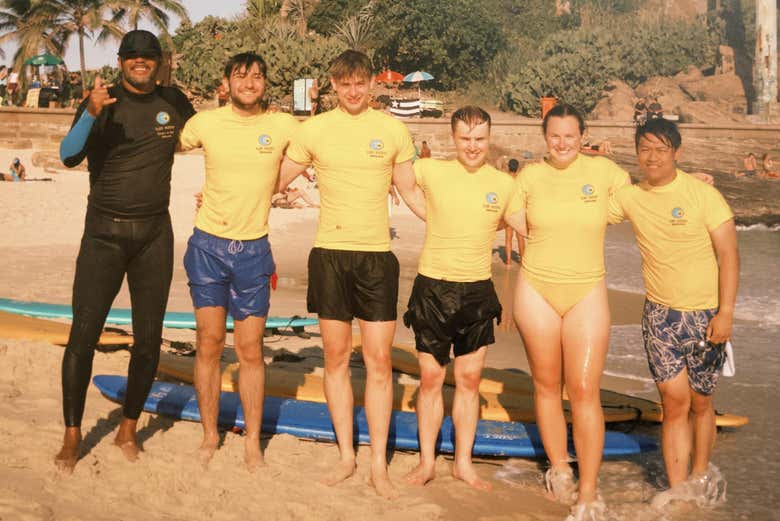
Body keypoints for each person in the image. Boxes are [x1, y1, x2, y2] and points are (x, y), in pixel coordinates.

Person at [277, 49, 416, 498]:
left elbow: (412, 191)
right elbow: (275, 177)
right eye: (344, 84)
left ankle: (378, 464)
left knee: (378, 363)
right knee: (335, 360)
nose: (353, 91)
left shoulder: (393, 130)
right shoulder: (314, 130)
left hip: (376, 258)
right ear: (333, 85)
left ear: (372, 84)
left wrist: (460, 222)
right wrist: (221, 193)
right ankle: (346, 456)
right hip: (330, 257)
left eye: (361, 83)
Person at [55, 30, 195, 473]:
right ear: (120, 61)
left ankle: (128, 427)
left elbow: (216, 139)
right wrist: (89, 114)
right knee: (84, 335)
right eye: (131, 56)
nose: (139, 62)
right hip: (103, 234)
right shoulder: (102, 101)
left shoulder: (175, 102)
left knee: (149, 340)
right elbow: (67, 155)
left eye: (147, 56)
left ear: (158, 62)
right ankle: (73, 435)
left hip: (155, 234)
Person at [504, 103, 630, 520]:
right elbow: (511, 217)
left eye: (569, 135)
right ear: (545, 136)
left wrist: (692, 184)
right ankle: (559, 468)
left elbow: (645, 199)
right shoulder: (530, 177)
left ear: (583, 135)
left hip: (587, 291)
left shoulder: (606, 173)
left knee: (583, 391)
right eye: (554, 135)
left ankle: (588, 489)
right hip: (536, 289)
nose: (562, 143)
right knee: (546, 384)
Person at [608, 119, 738, 511]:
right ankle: (678, 485)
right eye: (644, 149)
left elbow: (729, 254)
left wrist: (726, 313)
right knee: (673, 399)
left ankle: (699, 474)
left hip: (705, 316)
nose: (651, 157)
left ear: (676, 154)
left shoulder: (702, 195)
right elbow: (587, 208)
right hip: (660, 315)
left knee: (701, 401)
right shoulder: (630, 197)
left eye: (660, 150)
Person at [179, 52, 298, 472]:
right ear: (226, 82)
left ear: (266, 83)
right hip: (208, 246)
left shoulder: (283, 125)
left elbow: (320, 152)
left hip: (253, 250)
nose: (249, 82)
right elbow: (157, 142)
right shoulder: (206, 123)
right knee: (208, 343)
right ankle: (210, 434)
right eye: (240, 75)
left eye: (257, 76)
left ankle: (251, 441)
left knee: (250, 349)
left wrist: (276, 188)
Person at [394, 106, 513, 491]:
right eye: (465, 138)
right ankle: (428, 462)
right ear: (452, 137)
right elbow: (401, 177)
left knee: (469, 378)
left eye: (479, 139)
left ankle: (462, 462)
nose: (473, 146)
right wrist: (429, 213)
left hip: (477, 290)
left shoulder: (504, 183)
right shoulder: (434, 170)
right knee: (431, 377)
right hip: (433, 287)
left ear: (489, 138)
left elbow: (530, 219)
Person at [504, 158, 523, 266]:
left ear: (508, 167)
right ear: (517, 167)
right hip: (519, 210)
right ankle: (522, 261)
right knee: (520, 237)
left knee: (508, 238)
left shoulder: (506, 178)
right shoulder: (520, 179)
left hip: (508, 211)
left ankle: (508, 262)